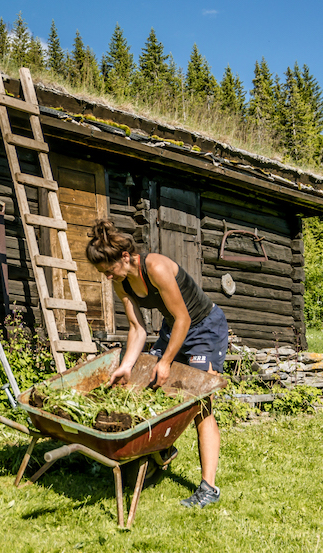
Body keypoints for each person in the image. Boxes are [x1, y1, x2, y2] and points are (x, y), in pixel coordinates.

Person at [86, 218, 228, 509]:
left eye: (109, 270)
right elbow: (138, 328)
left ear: (125, 257)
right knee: (151, 386)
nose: (108, 277)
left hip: (204, 327)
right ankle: (159, 452)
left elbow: (184, 319)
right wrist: (126, 365)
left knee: (200, 403)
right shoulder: (122, 282)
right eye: (103, 273)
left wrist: (165, 361)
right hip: (173, 328)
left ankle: (209, 488)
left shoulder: (157, 267)